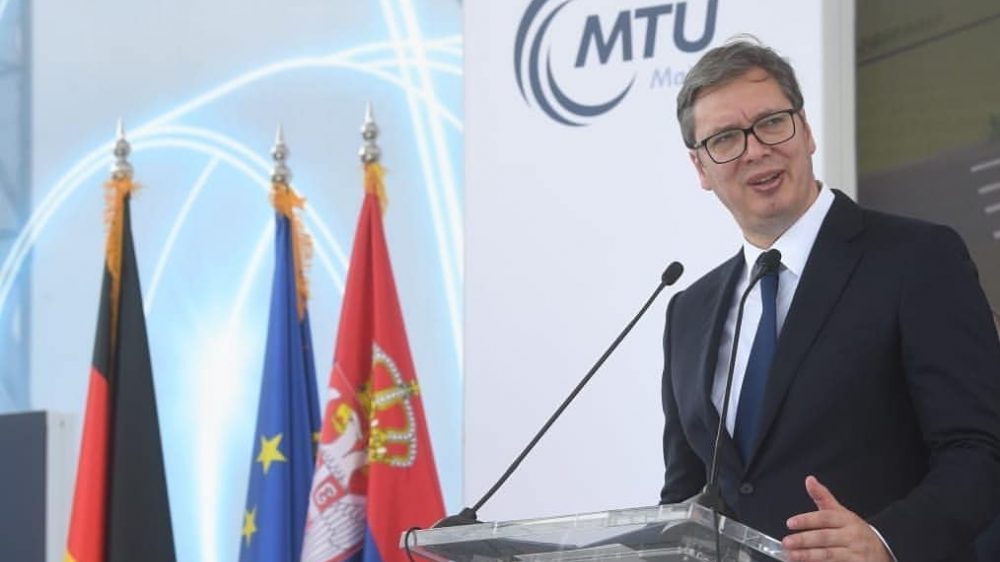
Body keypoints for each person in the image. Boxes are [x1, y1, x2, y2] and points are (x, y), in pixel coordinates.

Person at [659, 37, 1000, 562]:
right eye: (725, 138)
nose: (755, 149)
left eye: (772, 122)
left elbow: (981, 449)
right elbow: (684, 498)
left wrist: (886, 540)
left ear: (806, 130)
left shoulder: (917, 259)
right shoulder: (687, 312)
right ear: (701, 168)